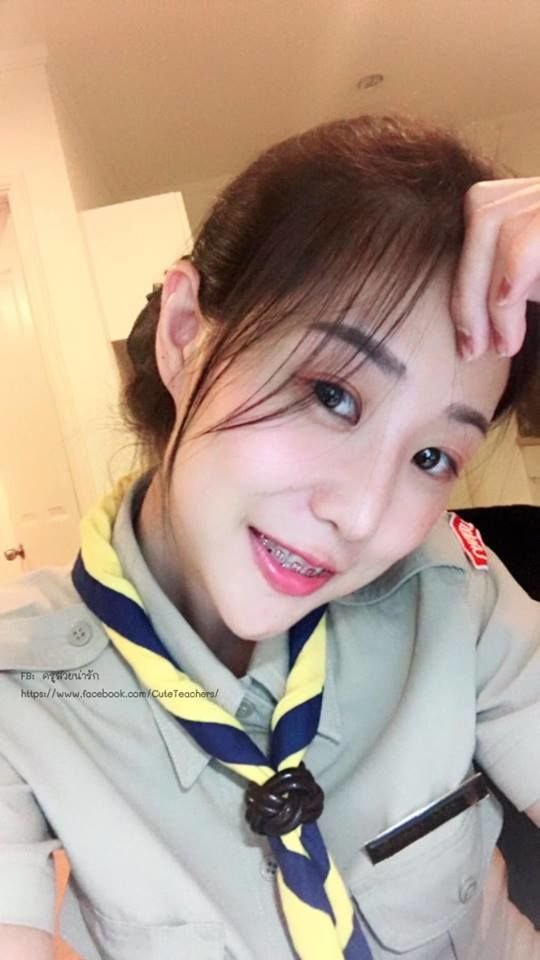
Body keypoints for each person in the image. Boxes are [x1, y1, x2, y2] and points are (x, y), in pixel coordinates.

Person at [0, 114, 539, 960]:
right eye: (331, 394)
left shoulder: (454, 596)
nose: (363, 514)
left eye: (432, 456)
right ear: (184, 333)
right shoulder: (20, 690)